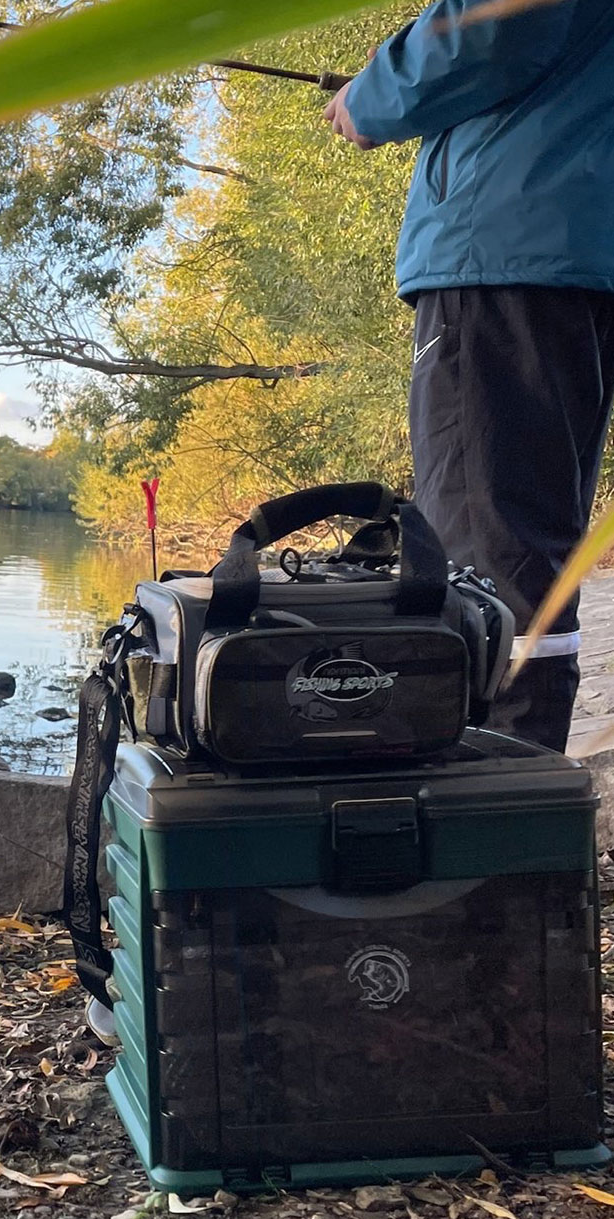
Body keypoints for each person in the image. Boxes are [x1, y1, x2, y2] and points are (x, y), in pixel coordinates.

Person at [325, 0, 614, 751]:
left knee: (487, 564)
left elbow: (497, 22)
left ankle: (497, 825)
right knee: (530, 550)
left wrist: (368, 97)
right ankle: (521, 806)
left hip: (502, 255)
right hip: (577, 256)